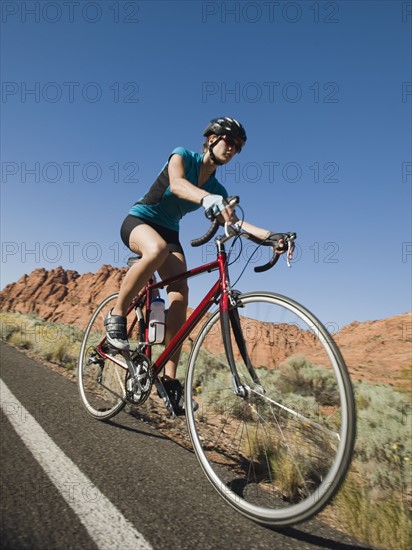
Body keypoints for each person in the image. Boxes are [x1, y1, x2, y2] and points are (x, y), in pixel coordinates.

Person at [105, 116, 286, 414]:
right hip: (140, 221)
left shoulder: (217, 187)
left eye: (238, 147)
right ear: (212, 139)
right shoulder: (183, 156)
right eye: (229, 141)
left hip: (169, 232)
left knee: (180, 290)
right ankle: (116, 315)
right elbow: (177, 185)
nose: (233, 149)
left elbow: (234, 223)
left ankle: (169, 379)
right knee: (157, 250)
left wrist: (270, 237)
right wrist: (206, 199)